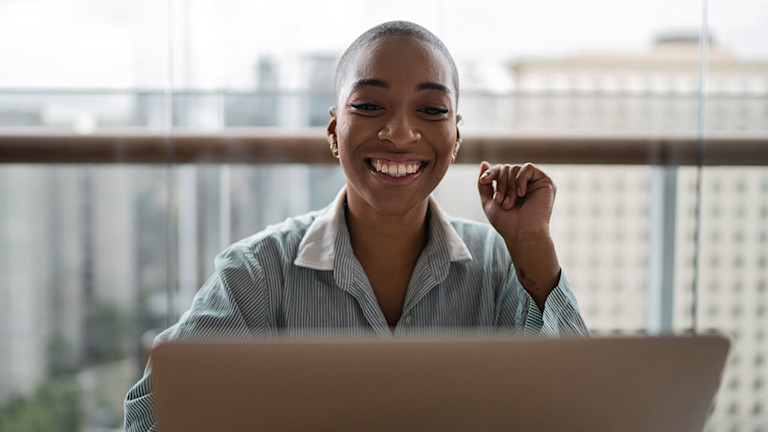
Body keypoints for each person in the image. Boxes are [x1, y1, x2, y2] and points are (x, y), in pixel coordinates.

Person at [124, 20, 588, 432]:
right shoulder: (259, 273)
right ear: (333, 130)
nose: (401, 133)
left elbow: (579, 407)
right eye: (369, 106)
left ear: (456, 137)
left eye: (431, 110)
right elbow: (149, 416)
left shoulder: (501, 264)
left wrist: (532, 245)